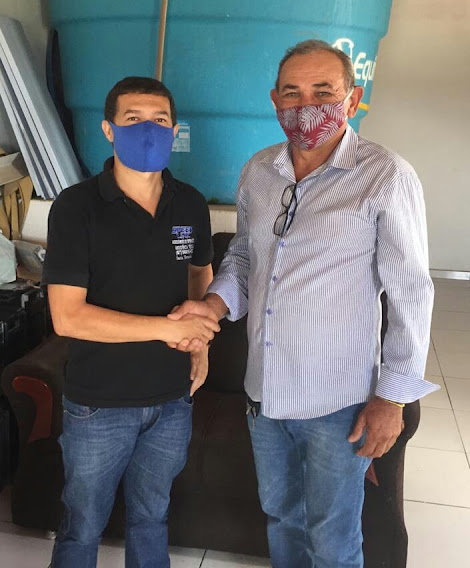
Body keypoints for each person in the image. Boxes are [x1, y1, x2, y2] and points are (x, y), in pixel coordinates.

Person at [169, 40, 438, 568]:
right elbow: (244, 256)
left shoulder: (385, 175)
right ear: (275, 100)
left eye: (323, 91)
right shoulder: (259, 171)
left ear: (352, 98)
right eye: (292, 92)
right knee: (281, 518)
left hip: (338, 402)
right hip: (264, 394)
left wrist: (392, 400)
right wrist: (213, 306)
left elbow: (411, 292)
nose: (306, 105)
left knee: (333, 537)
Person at [43, 76, 219, 568]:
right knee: (82, 525)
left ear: (174, 130)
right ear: (108, 129)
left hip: (171, 400)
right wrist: (169, 329)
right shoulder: (76, 207)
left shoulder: (190, 202)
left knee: (152, 517)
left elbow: (199, 272)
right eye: (133, 119)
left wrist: (200, 342)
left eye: (160, 120)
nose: (148, 130)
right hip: (99, 404)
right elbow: (67, 317)